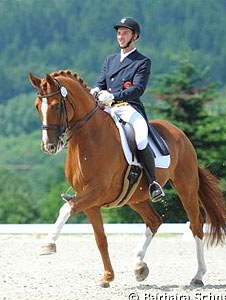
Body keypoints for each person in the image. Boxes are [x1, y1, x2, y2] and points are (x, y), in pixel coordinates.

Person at [62, 17, 163, 203]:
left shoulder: (142, 61)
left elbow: (138, 89)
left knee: (140, 137)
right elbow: (101, 82)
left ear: (135, 36)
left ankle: (153, 183)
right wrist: (94, 91)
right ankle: (81, 184)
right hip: (107, 108)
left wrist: (114, 96)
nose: (121, 36)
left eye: (125, 33)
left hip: (128, 107)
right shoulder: (110, 59)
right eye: (119, 33)